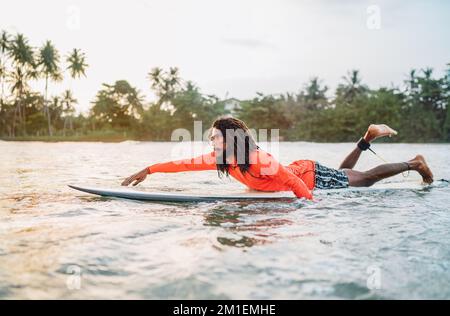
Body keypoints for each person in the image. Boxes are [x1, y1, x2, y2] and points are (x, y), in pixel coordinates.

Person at [121, 117, 433, 200]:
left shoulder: (258, 159)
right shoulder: (222, 159)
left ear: (230, 139)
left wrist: (310, 205)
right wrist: (148, 170)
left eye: (215, 136)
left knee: (363, 181)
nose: (211, 141)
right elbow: (181, 164)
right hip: (307, 172)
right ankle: (367, 138)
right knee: (344, 177)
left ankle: (414, 163)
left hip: (308, 176)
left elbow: (292, 181)